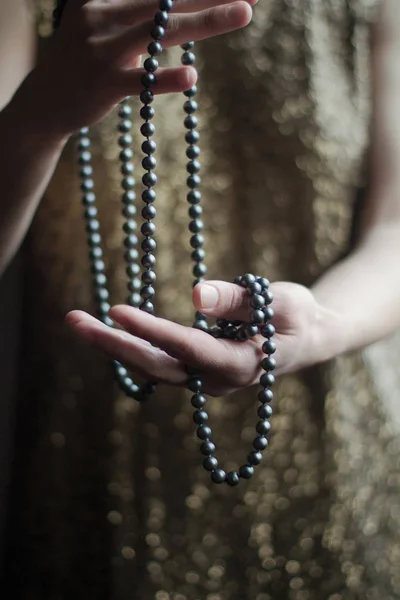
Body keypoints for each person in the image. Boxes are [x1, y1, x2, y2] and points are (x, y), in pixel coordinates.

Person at [1, 0, 400, 598]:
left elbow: (395, 228)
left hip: (332, 453)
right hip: (94, 470)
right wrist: (37, 116)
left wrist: (317, 326)